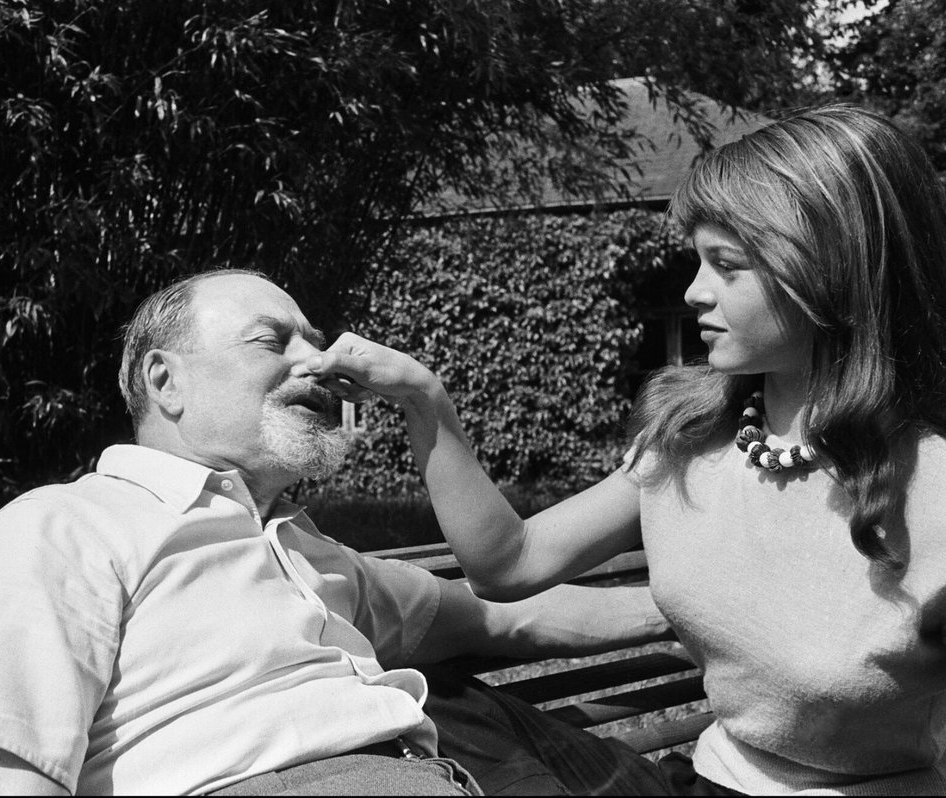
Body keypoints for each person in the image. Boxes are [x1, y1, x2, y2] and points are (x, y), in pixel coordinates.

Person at [306, 103, 946, 795]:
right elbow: (507, 564)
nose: (693, 291)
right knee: (416, 703)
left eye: (726, 264)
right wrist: (422, 399)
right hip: (695, 782)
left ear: (834, 272)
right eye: (697, 259)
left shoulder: (933, 490)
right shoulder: (690, 440)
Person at [0, 269, 674, 796]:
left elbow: (509, 615)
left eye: (316, 338)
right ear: (165, 381)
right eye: (275, 341)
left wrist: (700, 602)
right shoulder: (58, 530)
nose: (324, 363)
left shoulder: (306, 554)